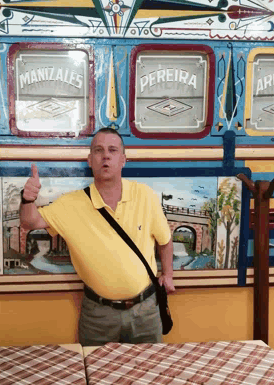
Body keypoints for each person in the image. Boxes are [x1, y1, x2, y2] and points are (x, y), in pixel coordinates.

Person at [20, 127, 175, 346]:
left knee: (148, 372)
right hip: (97, 316)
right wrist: (27, 199)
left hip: (145, 312)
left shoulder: (145, 196)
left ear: (123, 159)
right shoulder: (70, 204)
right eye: (98, 150)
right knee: (96, 377)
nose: (106, 156)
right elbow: (30, 222)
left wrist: (168, 274)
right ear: (90, 160)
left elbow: (165, 240)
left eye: (113, 150)